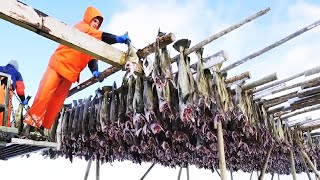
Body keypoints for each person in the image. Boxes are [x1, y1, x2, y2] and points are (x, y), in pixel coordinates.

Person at [23, 6, 130, 134]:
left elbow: (92, 58)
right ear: (88, 18)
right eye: (94, 20)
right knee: (44, 94)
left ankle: (43, 128)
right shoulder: (82, 27)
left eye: (98, 22)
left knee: (56, 103)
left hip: (70, 74)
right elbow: (102, 36)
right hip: (58, 65)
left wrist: (95, 71)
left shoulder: (93, 40)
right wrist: (117, 39)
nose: (96, 24)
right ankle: (30, 125)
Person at [0, 60, 28, 127]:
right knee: (4, 115)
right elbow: (20, 90)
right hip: (5, 93)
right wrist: (23, 100)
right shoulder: (17, 73)